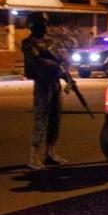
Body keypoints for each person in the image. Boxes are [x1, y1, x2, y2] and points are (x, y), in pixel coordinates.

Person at [21, 11, 67, 170]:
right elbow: (37, 61)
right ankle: (33, 156)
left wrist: (64, 72)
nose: (45, 27)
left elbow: (62, 58)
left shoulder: (50, 42)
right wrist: (56, 64)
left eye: (45, 24)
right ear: (33, 26)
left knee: (55, 119)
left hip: (54, 83)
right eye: (41, 24)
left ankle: (50, 153)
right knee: (41, 119)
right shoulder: (29, 43)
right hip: (42, 84)